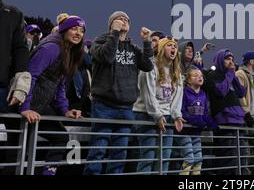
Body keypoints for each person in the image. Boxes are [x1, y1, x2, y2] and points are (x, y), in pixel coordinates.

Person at [84, 11, 153, 175]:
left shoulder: (132, 47)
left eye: (126, 19)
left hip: (126, 108)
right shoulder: (99, 41)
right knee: (98, 151)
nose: (123, 21)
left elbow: (148, 66)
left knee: (119, 154)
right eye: (119, 19)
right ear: (110, 24)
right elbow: (107, 57)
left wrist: (147, 43)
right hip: (104, 106)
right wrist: (114, 34)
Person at [19, 16, 86, 175]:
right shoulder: (52, 48)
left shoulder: (68, 51)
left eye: (82, 31)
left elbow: (59, 84)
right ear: (64, 29)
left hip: (40, 106)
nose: (78, 33)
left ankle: (48, 173)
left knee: (60, 138)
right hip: (27, 104)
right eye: (74, 28)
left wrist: (65, 110)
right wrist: (25, 107)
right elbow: (30, 76)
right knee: (19, 149)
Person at [133, 36, 184, 174]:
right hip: (145, 114)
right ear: (161, 49)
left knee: (164, 158)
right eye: (169, 45)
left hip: (166, 117)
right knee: (148, 158)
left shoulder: (177, 73)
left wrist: (176, 115)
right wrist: (157, 115)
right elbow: (147, 93)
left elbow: (177, 98)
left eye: (175, 46)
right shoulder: (150, 67)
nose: (173, 48)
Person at [0, 0, 30, 174]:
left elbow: (20, 50)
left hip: (1, 89)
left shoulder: (14, 13)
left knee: (7, 143)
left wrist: (20, 85)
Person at [204, 49, 246, 175]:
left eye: (232, 59)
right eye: (227, 59)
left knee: (241, 157)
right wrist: (229, 74)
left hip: (239, 120)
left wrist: (233, 75)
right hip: (225, 121)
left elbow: (241, 93)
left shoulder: (230, 75)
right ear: (219, 60)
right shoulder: (212, 75)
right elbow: (220, 91)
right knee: (228, 159)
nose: (231, 62)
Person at [179, 66, 217, 175]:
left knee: (198, 160)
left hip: (196, 133)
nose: (199, 77)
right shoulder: (184, 92)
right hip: (184, 133)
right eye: (195, 75)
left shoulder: (203, 95)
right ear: (189, 80)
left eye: (201, 76)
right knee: (189, 159)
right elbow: (182, 111)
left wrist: (212, 124)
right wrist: (195, 121)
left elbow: (205, 114)